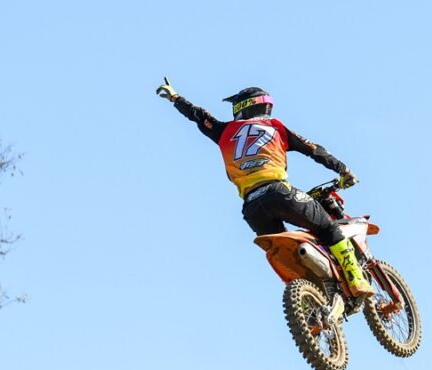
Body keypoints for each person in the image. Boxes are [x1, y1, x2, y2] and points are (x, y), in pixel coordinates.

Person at [156, 78, 374, 298]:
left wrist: (175, 98)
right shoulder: (275, 127)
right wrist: (343, 170)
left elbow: (198, 116)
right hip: (280, 193)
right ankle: (356, 279)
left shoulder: (224, 131)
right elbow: (314, 150)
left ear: (243, 107)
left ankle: (313, 301)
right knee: (328, 229)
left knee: (290, 258)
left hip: (252, 208)